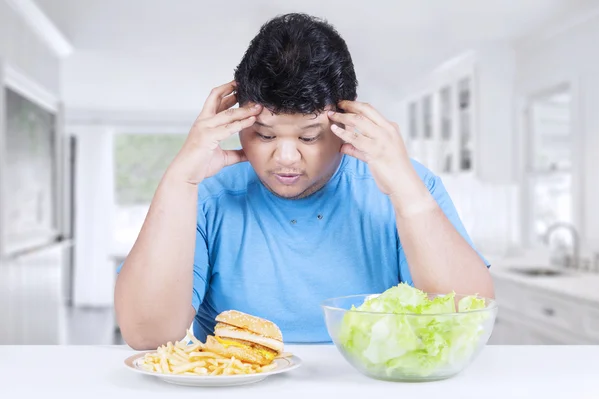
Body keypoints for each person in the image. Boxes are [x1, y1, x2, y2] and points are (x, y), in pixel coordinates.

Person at [114, 13, 494, 350]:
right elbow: (147, 335)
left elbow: (468, 320)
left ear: (348, 123)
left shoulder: (406, 185)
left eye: (309, 137)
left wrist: (410, 197)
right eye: (264, 135)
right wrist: (180, 180)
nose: (284, 157)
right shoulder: (209, 195)